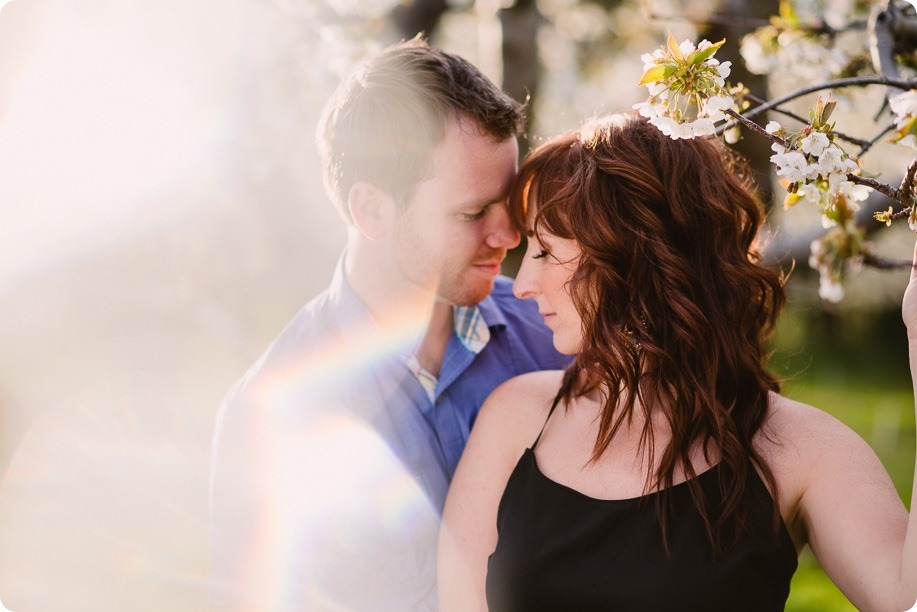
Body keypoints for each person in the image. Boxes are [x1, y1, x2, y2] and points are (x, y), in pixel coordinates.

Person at [438, 112, 917, 611]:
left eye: (544, 251)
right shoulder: (516, 419)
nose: (521, 286)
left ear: (630, 252)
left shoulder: (803, 451)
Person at [208, 38, 569, 610]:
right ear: (372, 210)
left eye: (511, 204)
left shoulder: (561, 340)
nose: (509, 236)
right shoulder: (273, 415)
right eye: (473, 213)